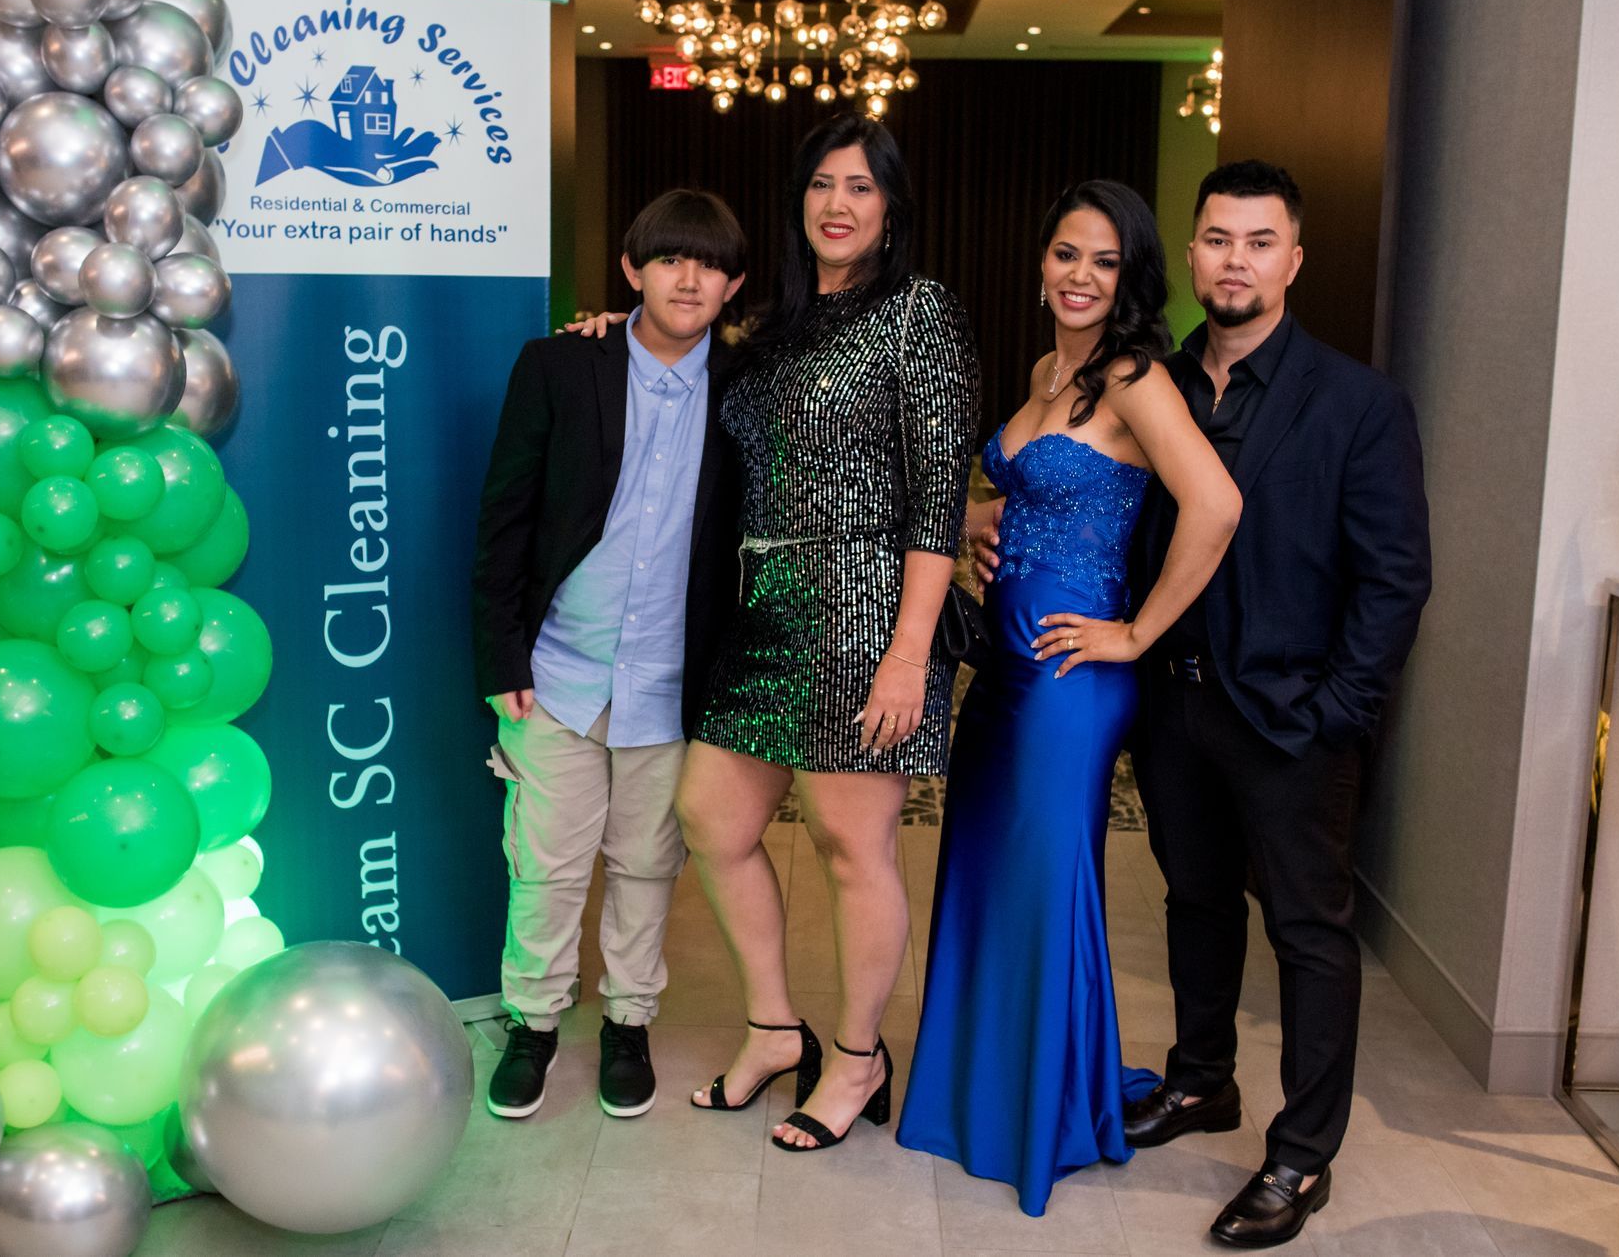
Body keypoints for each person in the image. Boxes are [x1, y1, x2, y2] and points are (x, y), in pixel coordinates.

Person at [897, 181, 1242, 1214]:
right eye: (1064, 254)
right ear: (1041, 262)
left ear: (1129, 275)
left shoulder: (1135, 376)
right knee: (984, 868)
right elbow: (1022, 484)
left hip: (1070, 678)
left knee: (1047, 886)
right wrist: (974, 520)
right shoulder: (1052, 368)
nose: (1078, 275)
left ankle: (1040, 1112)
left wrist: (1136, 631)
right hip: (1002, 673)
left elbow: (1216, 504)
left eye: (1101, 260)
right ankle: (984, 1086)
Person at [1119, 160, 1430, 1248]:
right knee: (1194, 904)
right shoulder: (1150, 381)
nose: (1234, 260)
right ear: (1191, 251)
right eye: (1216, 239)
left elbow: (1395, 578)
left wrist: (1338, 709)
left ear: (1293, 259)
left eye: (1258, 241)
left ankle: (1302, 1156)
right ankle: (1204, 1081)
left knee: (1308, 931)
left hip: (1294, 719)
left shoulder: (1358, 403)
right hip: (1173, 706)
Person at [675, 113, 977, 1154]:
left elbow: (939, 500)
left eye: (860, 186)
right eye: (821, 185)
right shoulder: (771, 325)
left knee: (854, 846)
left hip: (863, 606)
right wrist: (608, 332)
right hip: (762, 607)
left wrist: (909, 654)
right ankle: (772, 1027)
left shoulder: (919, 313)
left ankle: (856, 1057)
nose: (837, 204)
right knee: (712, 818)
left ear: (891, 208)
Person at [469, 189, 747, 1121]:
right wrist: (499, 653)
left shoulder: (748, 387)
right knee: (546, 865)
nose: (688, 276)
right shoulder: (560, 364)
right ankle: (534, 1022)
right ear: (633, 270)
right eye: (669, 258)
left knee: (644, 864)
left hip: (674, 685)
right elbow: (504, 519)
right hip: (558, 674)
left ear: (733, 285)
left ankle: (629, 1021)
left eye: (708, 264)